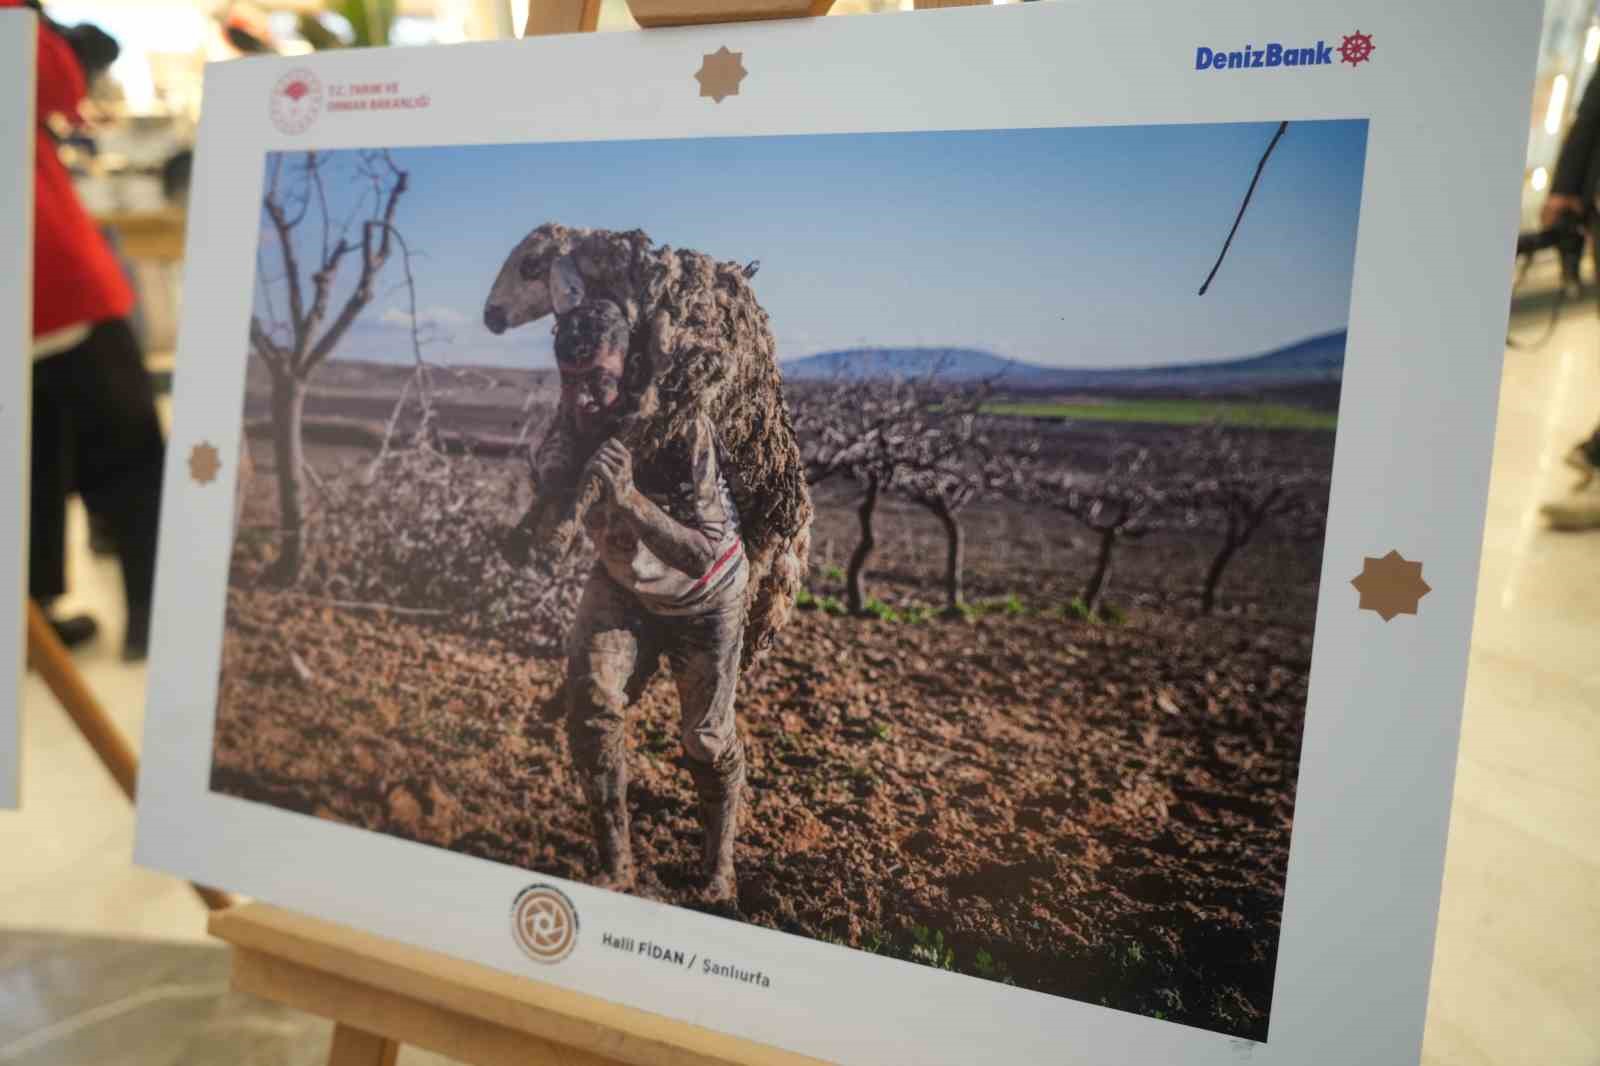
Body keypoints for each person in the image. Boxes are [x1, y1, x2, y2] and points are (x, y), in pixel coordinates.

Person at [534, 300, 748, 905]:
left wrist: (628, 497)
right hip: (623, 583)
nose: (582, 400)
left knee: (705, 739)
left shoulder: (681, 432)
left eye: (599, 382)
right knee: (591, 703)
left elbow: (702, 555)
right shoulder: (565, 431)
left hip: (705, 598)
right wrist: (554, 503)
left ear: (628, 371)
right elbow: (550, 519)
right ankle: (616, 863)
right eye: (569, 383)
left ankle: (719, 869)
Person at [9, 0, 168, 657]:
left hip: (39, 282)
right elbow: (47, 78)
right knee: (128, 448)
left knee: (33, 454)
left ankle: (36, 619)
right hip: (45, 276)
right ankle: (153, 609)